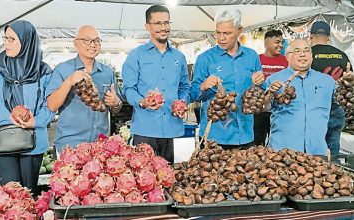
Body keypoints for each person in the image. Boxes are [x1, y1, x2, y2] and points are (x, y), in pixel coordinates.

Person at [0, 20, 54, 194]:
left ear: (27, 41)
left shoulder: (44, 73)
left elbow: (50, 106)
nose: (6, 43)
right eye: (5, 38)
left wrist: (35, 121)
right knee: (7, 196)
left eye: (12, 39)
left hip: (32, 142)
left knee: (28, 195)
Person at [122, 5, 190, 163]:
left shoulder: (179, 57)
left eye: (167, 23)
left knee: (174, 179)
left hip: (174, 129)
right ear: (147, 26)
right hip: (146, 131)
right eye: (158, 23)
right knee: (146, 181)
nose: (163, 27)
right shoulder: (136, 55)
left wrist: (183, 102)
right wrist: (142, 101)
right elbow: (128, 89)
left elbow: (184, 87)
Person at [190, 7, 264, 149]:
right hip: (214, 136)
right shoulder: (205, 59)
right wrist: (203, 86)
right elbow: (193, 95)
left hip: (245, 134)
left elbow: (259, 93)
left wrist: (260, 82)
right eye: (218, 32)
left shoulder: (252, 56)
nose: (221, 38)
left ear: (239, 30)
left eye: (227, 33)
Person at [46, 25, 123, 155]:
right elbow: (51, 105)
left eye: (96, 40)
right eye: (87, 40)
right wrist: (69, 81)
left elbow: (117, 108)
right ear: (76, 43)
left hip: (100, 147)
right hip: (70, 146)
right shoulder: (62, 69)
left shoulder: (107, 72)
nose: (93, 45)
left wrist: (116, 103)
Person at [264, 39, 335, 155]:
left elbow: (340, 110)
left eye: (306, 51)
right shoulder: (274, 80)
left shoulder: (327, 81)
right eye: (297, 51)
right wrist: (270, 94)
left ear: (311, 56)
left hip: (317, 153)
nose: (302, 54)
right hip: (282, 153)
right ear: (287, 56)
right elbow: (264, 108)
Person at [309, 21, 354, 160]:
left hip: (314, 109)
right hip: (336, 108)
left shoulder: (307, 56)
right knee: (333, 147)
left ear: (311, 36)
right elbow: (350, 82)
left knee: (313, 152)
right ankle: (333, 171)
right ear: (329, 37)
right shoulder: (342, 55)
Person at [255, 30, 288, 145]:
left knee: (278, 144)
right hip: (259, 109)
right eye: (277, 42)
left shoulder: (286, 61)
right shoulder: (256, 60)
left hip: (279, 110)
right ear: (266, 43)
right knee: (257, 143)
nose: (280, 45)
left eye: (282, 42)